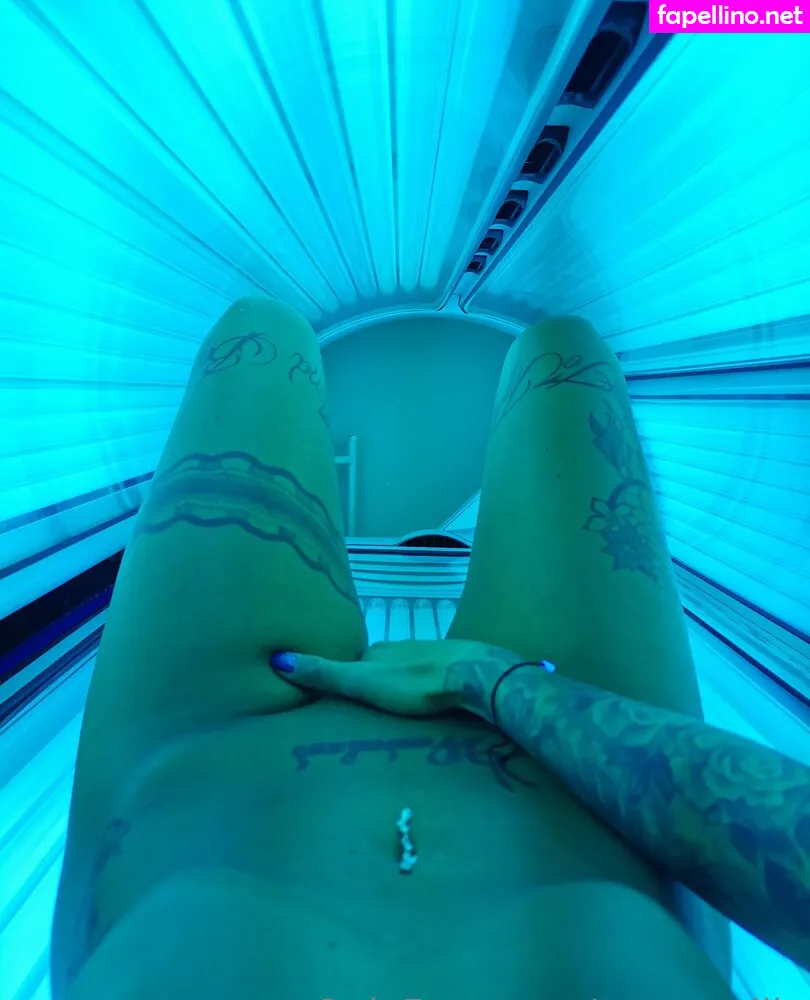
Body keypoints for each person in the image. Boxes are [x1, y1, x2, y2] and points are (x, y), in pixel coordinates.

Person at [49, 299, 807, 1000]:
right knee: (564, 354)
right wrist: (492, 680)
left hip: (210, 743)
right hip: (588, 759)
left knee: (259, 334)